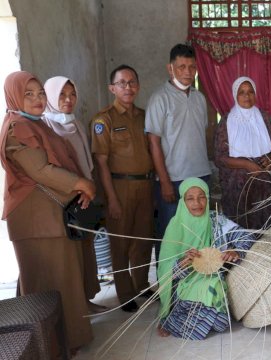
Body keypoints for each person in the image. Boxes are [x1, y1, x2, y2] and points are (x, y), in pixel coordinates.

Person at [0, 71, 95, 351]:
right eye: (28, 94)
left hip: (50, 216)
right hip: (37, 221)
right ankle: (56, 345)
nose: (37, 99)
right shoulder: (18, 128)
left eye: (40, 93)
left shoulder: (36, 124)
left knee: (60, 281)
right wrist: (81, 184)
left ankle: (63, 341)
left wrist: (79, 189)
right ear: (15, 96)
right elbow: (40, 170)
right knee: (51, 284)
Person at [157, 177, 255, 340]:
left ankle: (198, 318)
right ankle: (172, 319)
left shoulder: (216, 220)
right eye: (190, 198)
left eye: (201, 197)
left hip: (211, 275)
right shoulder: (175, 226)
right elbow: (164, 268)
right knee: (208, 304)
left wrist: (235, 250)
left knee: (221, 323)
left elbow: (246, 236)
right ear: (183, 201)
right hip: (183, 283)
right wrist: (182, 263)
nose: (197, 203)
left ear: (208, 198)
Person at [91, 65, 154, 312]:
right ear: (112, 88)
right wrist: (112, 199)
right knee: (120, 243)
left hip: (145, 185)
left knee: (143, 239)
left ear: (137, 85)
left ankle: (141, 285)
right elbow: (101, 163)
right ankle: (125, 294)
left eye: (132, 82)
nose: (127, 87)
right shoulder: (103, 119)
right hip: (119, 186)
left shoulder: (144, 116)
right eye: (122, 83)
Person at [42, 75, 105, 313]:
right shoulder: (47, 126)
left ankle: (86, 299)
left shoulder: (76, 124)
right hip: (64, 199)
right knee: (70, 256)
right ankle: (75, 305)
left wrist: (88, 188)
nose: (68, 100)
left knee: (85, 250)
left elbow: (86, 162)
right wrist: (77, 188)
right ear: (50, 97)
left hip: (84, 196)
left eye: (72, 94)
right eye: (61, 95)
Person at [146, 43, 211, 254]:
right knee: (171, 236)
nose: (187, 72)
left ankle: (195, 284)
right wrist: (164, 181)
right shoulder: (159, 98)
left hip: (201, 176)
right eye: (181, 66)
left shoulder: (200, 99)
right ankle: (169, 284)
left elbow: (202, 137)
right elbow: (153, 142)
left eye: (191, 67)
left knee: (199, 236)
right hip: (173, 180)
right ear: (170, 68)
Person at [214, 76, 271, 229]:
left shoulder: (265, 118)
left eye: (250, 92)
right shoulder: (226, 122)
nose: (246, 96)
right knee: (240, 227)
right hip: (237, 190)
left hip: (264, 188)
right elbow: (219, 157)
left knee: (264, 226)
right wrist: (246, 164)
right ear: (235, 95)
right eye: (241, 92)